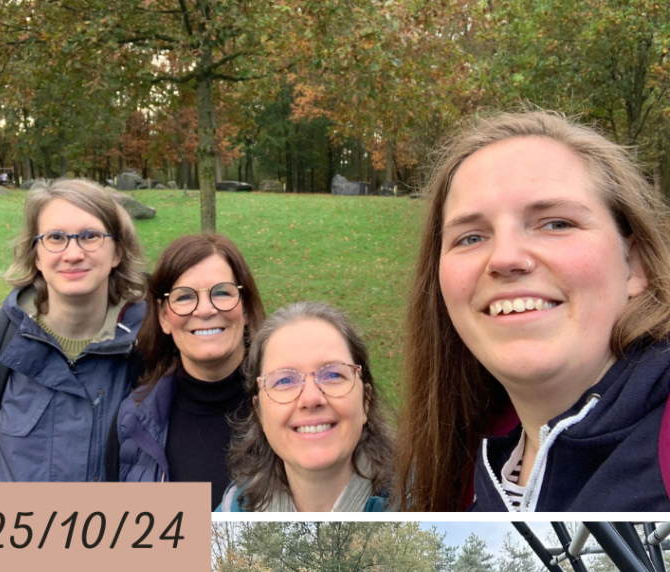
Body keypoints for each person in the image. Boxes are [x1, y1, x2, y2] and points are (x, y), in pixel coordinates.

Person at [393, 109, 670, 512]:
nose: (505, 258)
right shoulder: (463, 459)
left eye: (555, 223)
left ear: (635, 264)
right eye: (470, 237)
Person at [0, 178, 147, 482]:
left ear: (117, 251)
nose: (73, 253)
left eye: (90, 236)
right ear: (36, 254)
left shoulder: (155, 341)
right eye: (55, 238)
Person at [106, 233, 266, 510]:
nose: (205, 310)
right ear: (164, 316)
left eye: (222, 292)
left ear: (246, 308)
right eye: (184, 297)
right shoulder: (132, 422)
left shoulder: (292, 405)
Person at [219, 302, 392, 511]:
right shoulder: (232, 511)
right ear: (259, 412)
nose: (311, 399)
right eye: (284, 381)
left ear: (365, 400)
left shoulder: (426, 503)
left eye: (333, 375)